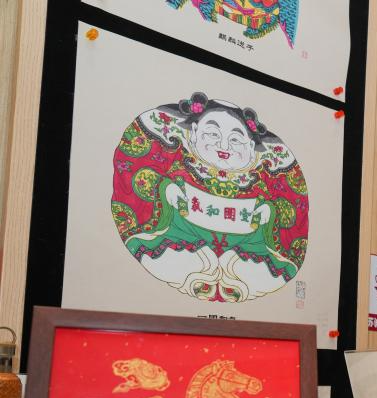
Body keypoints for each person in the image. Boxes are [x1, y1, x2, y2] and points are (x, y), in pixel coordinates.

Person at [115, 92, 308, 303]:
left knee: (263, 268)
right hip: (185, 233)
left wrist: (268, 212)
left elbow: (286, 209)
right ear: (194, 133)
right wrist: (167, 190)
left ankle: (231, 269)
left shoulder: (258, 180)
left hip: (245, 242)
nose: (224, 146)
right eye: (213, 134)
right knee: (170, 253)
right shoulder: (182, 165)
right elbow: (144, 177)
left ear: (251, 147)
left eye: (235, 140)